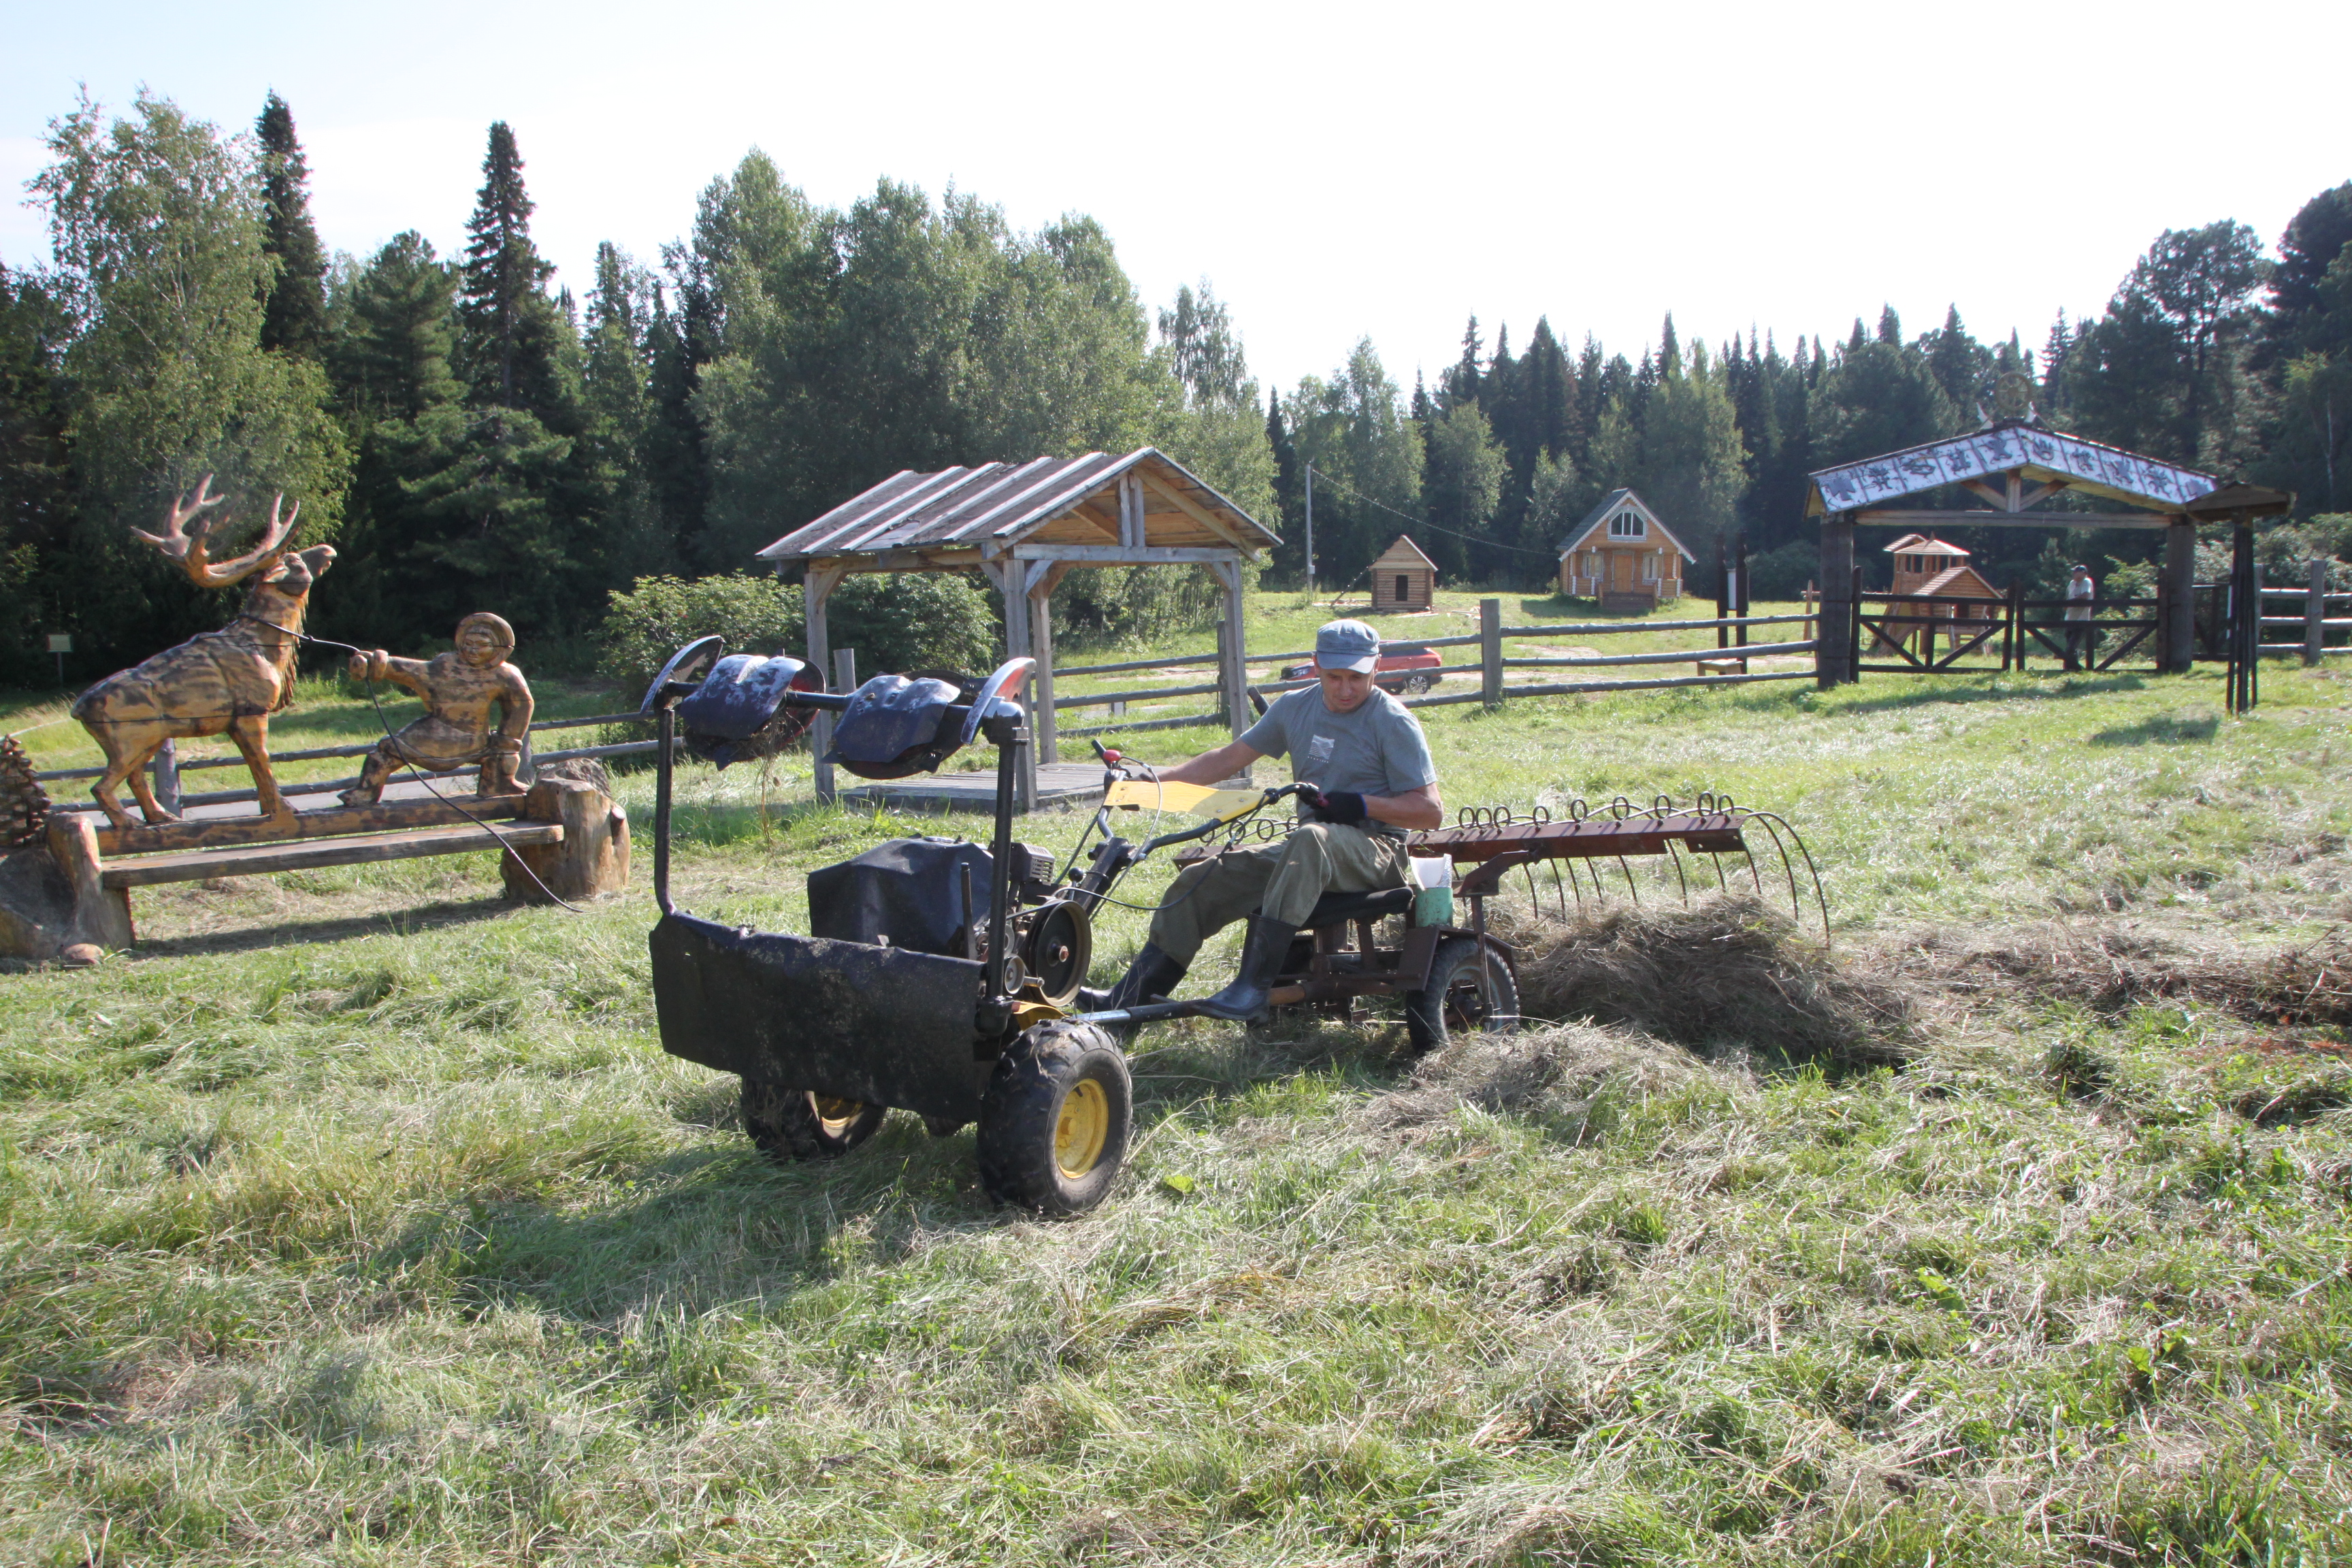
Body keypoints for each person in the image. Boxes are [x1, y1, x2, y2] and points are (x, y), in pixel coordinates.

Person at [1090, 618, 1443, 1023]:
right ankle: (1125, 1001)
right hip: (1310, 852)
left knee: (1310, 839)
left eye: (1356, 678)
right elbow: (1226, 760)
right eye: (1334, 677)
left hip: (1378, 852)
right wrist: (1147, 783)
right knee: (1199, 880)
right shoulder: (1295, 708)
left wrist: (1363, 805)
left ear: (1377, 667)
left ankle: (1250, 989)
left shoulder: (1392, 721)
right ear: (1315, 664)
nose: (1345, 689)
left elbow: (1430, 812)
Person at [338, 612, 535, 804]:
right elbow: (417, 671)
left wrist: (507, 741)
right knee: (387, 750)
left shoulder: (505, 674)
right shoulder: (447, 664)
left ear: (499, 647)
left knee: (388, 750)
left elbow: (521, 706)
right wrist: (378, 664)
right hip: (441, 730)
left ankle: (498, 785)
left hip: (475, 740)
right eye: (468, 644)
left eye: (482, 645)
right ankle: (365, 794)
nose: (473, 650)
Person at [2063, 562, 2097, 670]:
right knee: (2070, 646)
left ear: (2083, 573)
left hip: (2081, 619)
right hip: (2069, 618)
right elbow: (2068, 597)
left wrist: (2070, 602)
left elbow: (2086, 595)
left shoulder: (2087, 581)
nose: (2074, 574)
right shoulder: (2072, 584)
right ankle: (2071, 668)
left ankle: (2075, 669)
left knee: (2071, 647)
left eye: (2076, 572)